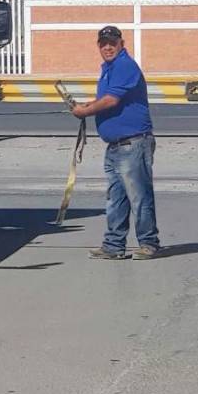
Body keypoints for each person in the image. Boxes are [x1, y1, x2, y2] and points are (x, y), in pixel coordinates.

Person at [71, 25, 159, 260]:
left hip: (133, 144)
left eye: (112, 42)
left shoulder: (124, 65)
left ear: (121, 43)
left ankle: (148, 243)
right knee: (116, 198)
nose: (107, 47)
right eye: (103, 43)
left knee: (139, 196)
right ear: (98, 46)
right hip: (116, 146)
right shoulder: (109, 68)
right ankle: (113, 245)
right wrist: (85, 107)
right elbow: (104, 98)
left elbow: (110, 100)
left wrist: (85, 112)